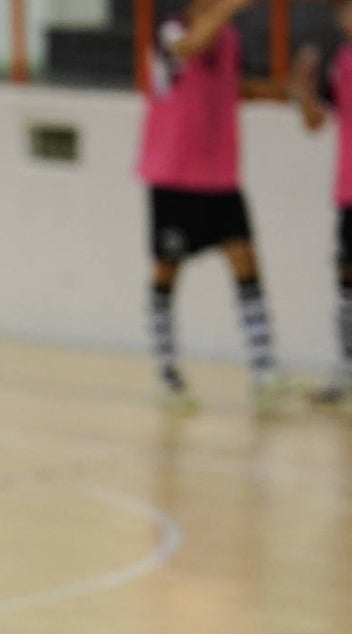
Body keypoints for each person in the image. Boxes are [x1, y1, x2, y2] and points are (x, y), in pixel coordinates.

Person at [136, 0, 291, 414]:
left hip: (220, 176)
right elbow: (187, 50)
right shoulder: (170, 30)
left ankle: (264, 372)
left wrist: (281, 90)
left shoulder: (230, 39)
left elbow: (229, 88)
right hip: (174, 176)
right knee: (167, 268)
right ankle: (168, 372)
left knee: (245, 261)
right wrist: (229, 7)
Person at [291, 1, 352, 404]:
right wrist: (304, 87)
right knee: (347, 281)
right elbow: (315, 122)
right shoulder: (342, 61)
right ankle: (346, 369)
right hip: (349, 191)